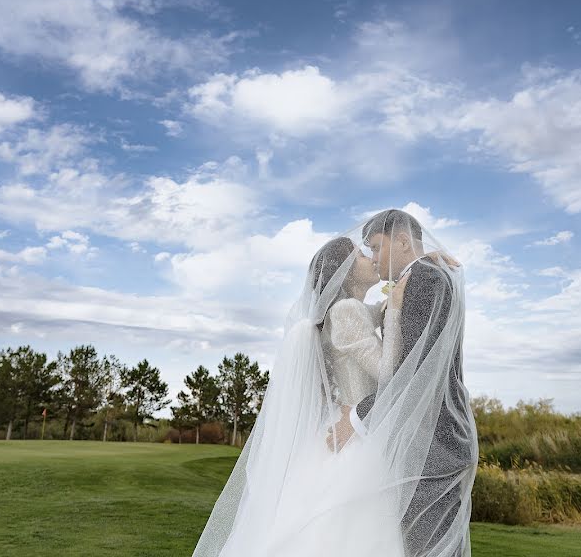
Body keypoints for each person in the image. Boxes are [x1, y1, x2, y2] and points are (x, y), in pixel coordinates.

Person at [191, 209, 478, 557]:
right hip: (363, 435)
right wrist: (403, 297)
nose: (371, 257)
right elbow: (394, 370)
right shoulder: (347, 311)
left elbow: (395, 328)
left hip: (372, 427)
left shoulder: (357, 306)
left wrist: (422, 262)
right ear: (342, 271)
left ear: (402, 241)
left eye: (374, 247)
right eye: (363, 252)